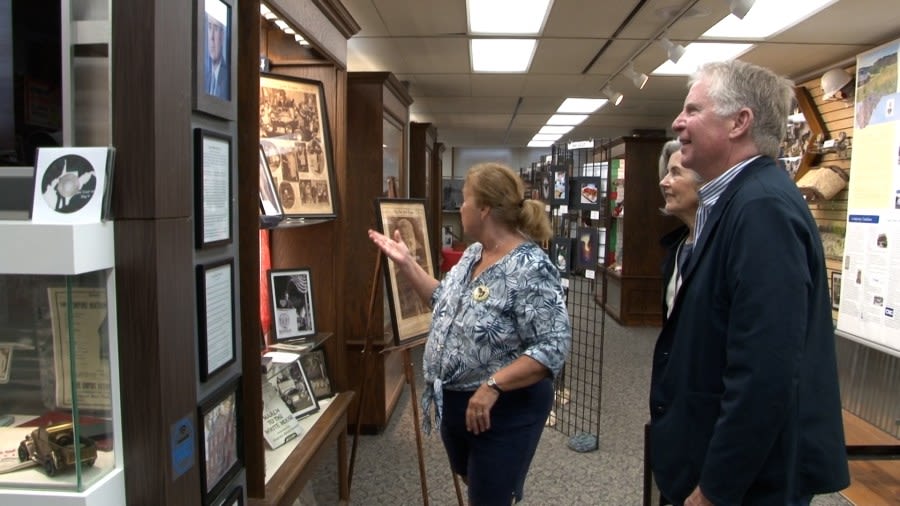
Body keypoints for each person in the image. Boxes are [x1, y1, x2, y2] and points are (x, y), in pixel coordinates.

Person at [650, 60, 850, 506]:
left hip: (743, 485)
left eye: (693, 110)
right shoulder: (739, 202)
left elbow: (765, 370)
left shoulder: (761, 209)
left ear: (740, 122)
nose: (678, 123)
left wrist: (716, 489)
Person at [368, 162, 571, 505]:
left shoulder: (531, 267)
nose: (459, 207)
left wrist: (494, 385)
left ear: (484, 209)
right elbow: (441, 300)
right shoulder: (474, 254)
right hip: (460, 407)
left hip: (505, 409)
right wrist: (406, 263)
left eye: (464, 200)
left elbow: (553, 346)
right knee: (477, 485)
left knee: (489, 496)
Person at [656, 139, 703, 320]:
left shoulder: (720, 244)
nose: (663, 182)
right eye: (667, 172)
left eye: (675, 173)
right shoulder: (677, 247)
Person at [204, 10, 229, 100]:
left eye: (216, 29)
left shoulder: (228, 78)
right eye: (210, 27)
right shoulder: (204, 76)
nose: (211, 37)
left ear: (222, 35)